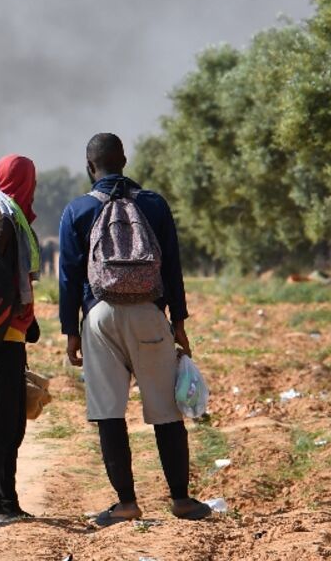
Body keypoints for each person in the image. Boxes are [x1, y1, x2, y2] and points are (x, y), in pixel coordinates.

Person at [58, 133, 211, 526]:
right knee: (166, 411)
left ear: (90, 167)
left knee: (109, 412)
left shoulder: (77, 210)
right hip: (148, 315)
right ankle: (181, 500)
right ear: (124, 160)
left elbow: (69, 277)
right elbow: (172, 267)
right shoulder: (154, 204)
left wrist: (70, 333)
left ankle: (126, 503)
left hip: (99, 318)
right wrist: (177, 322)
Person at [0, 154, 42, 519]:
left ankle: (5, 498)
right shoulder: (0, 217)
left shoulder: (7, 214)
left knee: (11, 420)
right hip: (1, 334)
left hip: (10, 330)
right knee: (2, 420)